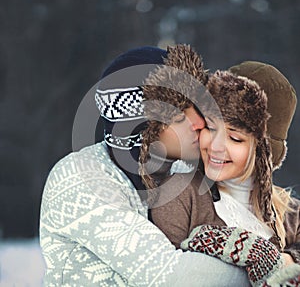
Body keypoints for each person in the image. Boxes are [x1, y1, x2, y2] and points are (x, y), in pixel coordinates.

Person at [39, 44, 250, 286]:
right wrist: (268, 271)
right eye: (179, 114)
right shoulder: (80, 177)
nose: (199, 122)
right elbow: (173, 277)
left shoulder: (181, 174)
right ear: (143, 126)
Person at [149, 65, 300, 286]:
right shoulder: (181, 194)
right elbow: (162, 276)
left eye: (235, 138)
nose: (216, 146)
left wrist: (281, 262)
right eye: (210, 128)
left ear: (262, 154)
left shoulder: (289, 212)